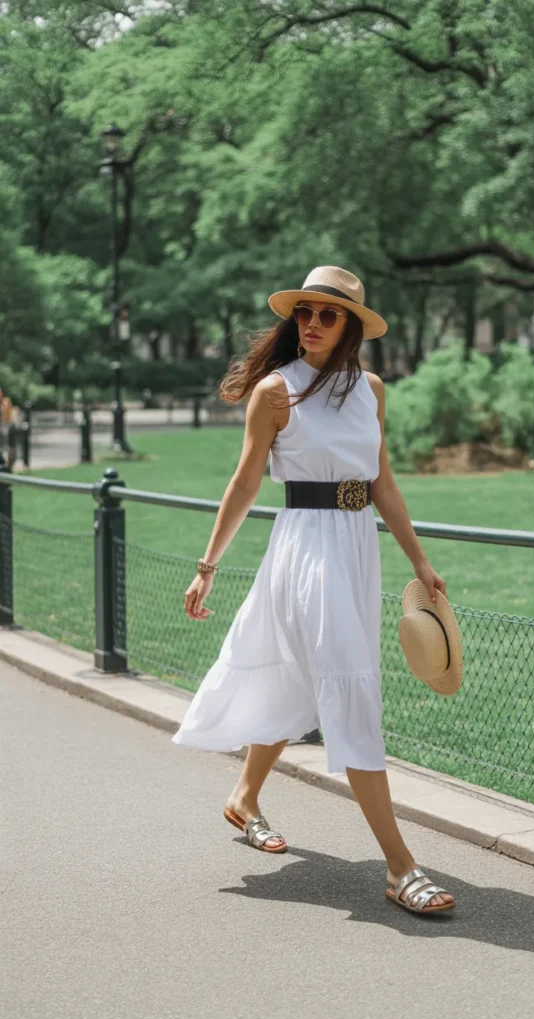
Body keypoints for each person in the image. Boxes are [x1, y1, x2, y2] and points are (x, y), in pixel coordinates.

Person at [172, 266, 455, 915]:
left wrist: (420, 559)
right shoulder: (276, 391)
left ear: (350, 326)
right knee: (349, 685)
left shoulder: (371, 391)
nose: (313, 324)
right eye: (305, 313)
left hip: (356, 548)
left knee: (300, 677)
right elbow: (244, 484)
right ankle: (399, 865)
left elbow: (380, 482)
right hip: (305, 548)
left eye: (329, 315)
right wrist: (206, 565)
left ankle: (243, 799)